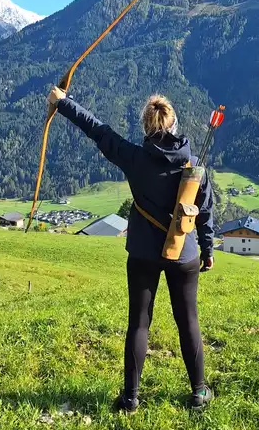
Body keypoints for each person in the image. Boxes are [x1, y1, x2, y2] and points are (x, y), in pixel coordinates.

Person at [48, 86, 214, 411]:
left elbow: (97, 130)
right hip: (183, 253)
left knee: (139, 323)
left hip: (142, 253)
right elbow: (205, 211)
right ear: (175, 125)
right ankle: (198, 392)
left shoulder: (134, 158)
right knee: (188, 321)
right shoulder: (194, 166)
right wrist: (207, 250)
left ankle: (130, 398)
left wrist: (62, 102)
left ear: (146, 128)